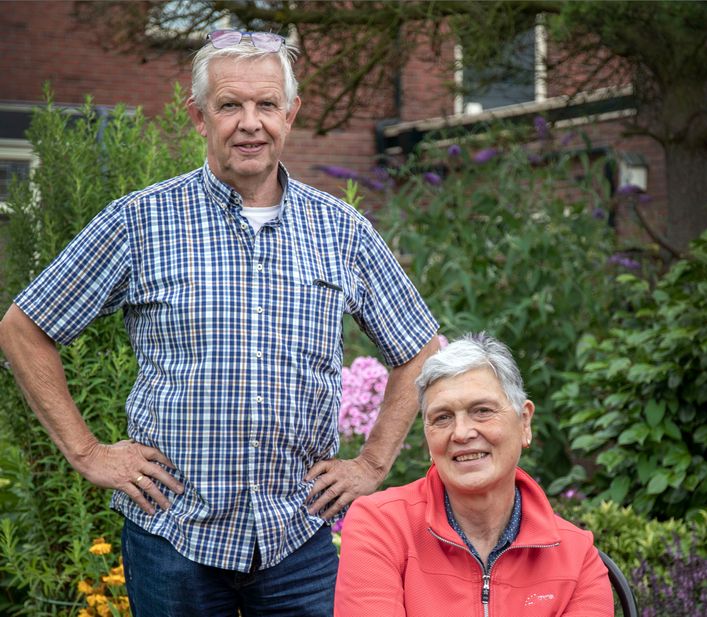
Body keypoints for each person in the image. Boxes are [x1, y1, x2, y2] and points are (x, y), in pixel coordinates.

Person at [0, 29, 439, 617]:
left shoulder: (341, 230)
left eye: (266, 105)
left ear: (291, 113)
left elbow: (420, 346)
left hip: (299, 538)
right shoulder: (142, 221)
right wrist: (86, 453)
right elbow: (23, 328)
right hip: (172, 537)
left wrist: (372, 463)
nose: (250, 122)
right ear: (199, 116)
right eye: (230, 104)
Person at [334, 333, 614, 616]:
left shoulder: (577, 556)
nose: (462, 433)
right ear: (428, 440)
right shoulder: (381, 526)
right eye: (442, 417)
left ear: (524, 423)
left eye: (482, 411)